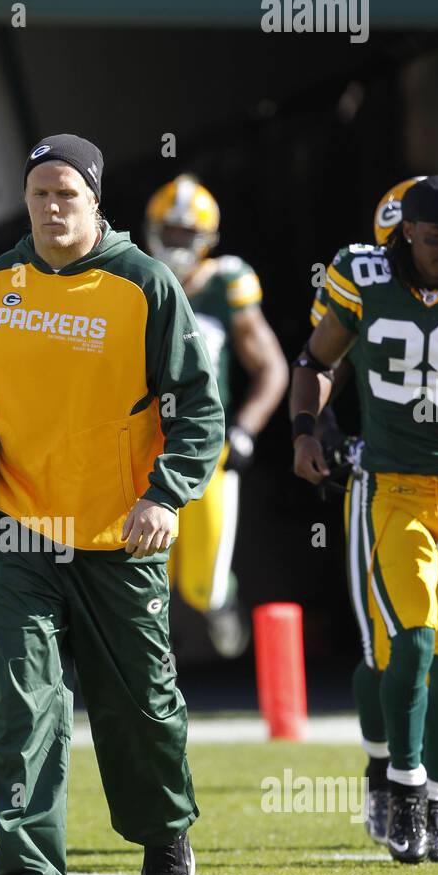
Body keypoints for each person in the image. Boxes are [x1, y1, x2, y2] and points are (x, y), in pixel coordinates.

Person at [0, 134, 224, 875]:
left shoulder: (146, 285)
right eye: (39, 195)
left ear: (95, 201)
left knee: (142, 705)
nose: (53, 208)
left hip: (119, 536)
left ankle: (165, 834)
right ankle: (26, 874)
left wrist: (165, 496)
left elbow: (199, 409)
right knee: (22, 701)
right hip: (18, 530)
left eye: (67, 194)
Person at [292, 174, 438, 866]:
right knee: (395, 645)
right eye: (433, 234)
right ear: (401, 235)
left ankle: (435, 799)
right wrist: (309, 429)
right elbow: (319, 358)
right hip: (387, 486)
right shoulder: (364, 277)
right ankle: (394, 779)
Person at [145, 175, 288, 656]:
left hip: (207, 448)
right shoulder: (133, 277)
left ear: (207, 239)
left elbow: (272, 367)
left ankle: (221, 603)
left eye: (187, 234)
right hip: (144, 444)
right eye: (170, 232)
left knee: (201, 583)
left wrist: (246, 430)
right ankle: (141, 669)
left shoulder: (226, 281)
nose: (178, 244)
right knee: (143, 571)